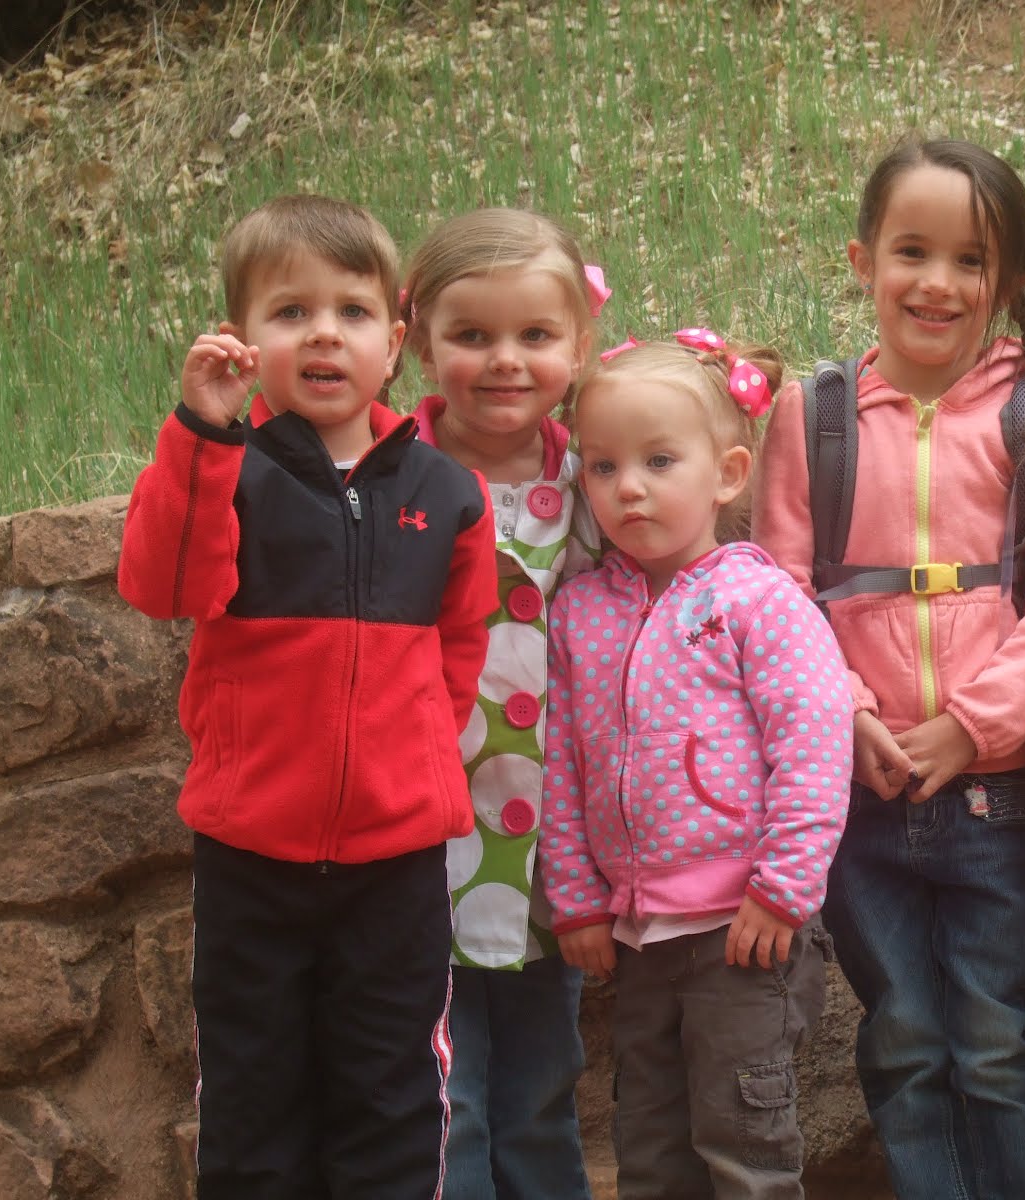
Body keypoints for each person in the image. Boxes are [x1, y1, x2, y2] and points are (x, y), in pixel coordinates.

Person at [117, 193, 498, 1198]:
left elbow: (460, 648)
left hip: (395, 863)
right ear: (243, 340)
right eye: (290, 313)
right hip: (253, 856)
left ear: (394, 345)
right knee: (252, 1097)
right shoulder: (225, 469)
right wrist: (200, 435)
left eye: (352, 311)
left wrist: (414, 756)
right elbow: (163, 587)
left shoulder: (447, 493)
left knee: (392, 1092)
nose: (324, 332)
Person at [752, 138, 1025, 1200]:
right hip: (857, 795)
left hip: (991, 796)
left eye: (971, 260)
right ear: (863, 260)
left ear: (1008, 280)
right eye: (913, 251)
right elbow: (781, 594)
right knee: (903, 1041)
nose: (938, 283)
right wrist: (848, 715)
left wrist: (975, 726)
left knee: (994, 1046)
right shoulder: (811, 420)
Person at [539, 330, 854, 1200]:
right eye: (603, 467)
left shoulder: (759, 601)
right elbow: (561, 767)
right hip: (637, 936)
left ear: (728, 473)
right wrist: (575, 898)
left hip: (743, 934)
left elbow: (814, 747)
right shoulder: (580, 613)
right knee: (648, 1145)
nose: (627, 487)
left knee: (744, 1143)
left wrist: (782, 889)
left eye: (658, 461)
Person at [400, 207, 604, 1200]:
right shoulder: (390, 475)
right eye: (472, 335)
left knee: (540, 1086)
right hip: (423, 833)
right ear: (419, 341)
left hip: (553, 842)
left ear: (580, 343)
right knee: (448, 1093)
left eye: (535, 334)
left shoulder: (597, 474)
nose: (505, 361)